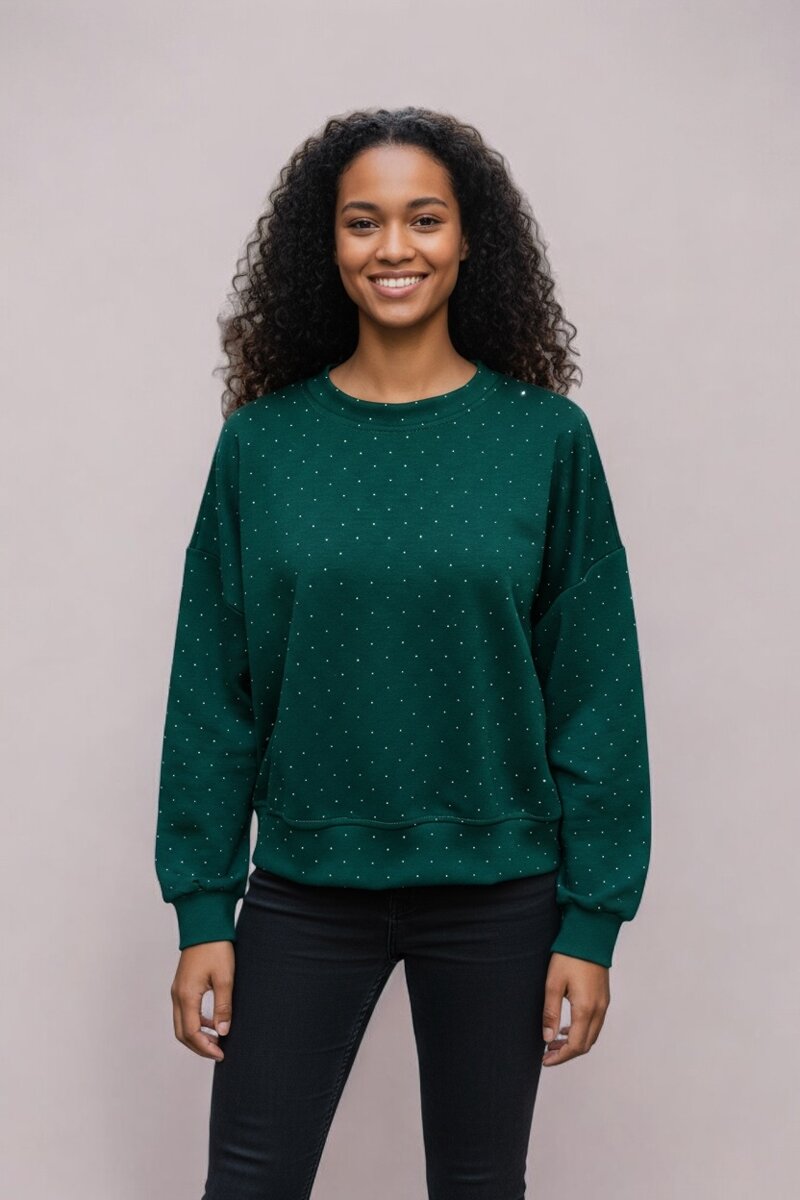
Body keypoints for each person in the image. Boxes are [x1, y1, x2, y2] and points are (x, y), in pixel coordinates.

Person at [155, 105, 652, 1200]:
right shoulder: (262, 445)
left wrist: (591, 923)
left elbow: (596, 689)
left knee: (480, 1184)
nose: (394, 247)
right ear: (326, 246)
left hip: (500, 891)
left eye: (424, 219)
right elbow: (212, 689)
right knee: (249, 1181)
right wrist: (201, 909)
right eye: (362, 222)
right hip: (304, 884)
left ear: (470, 240)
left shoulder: (544, 439)